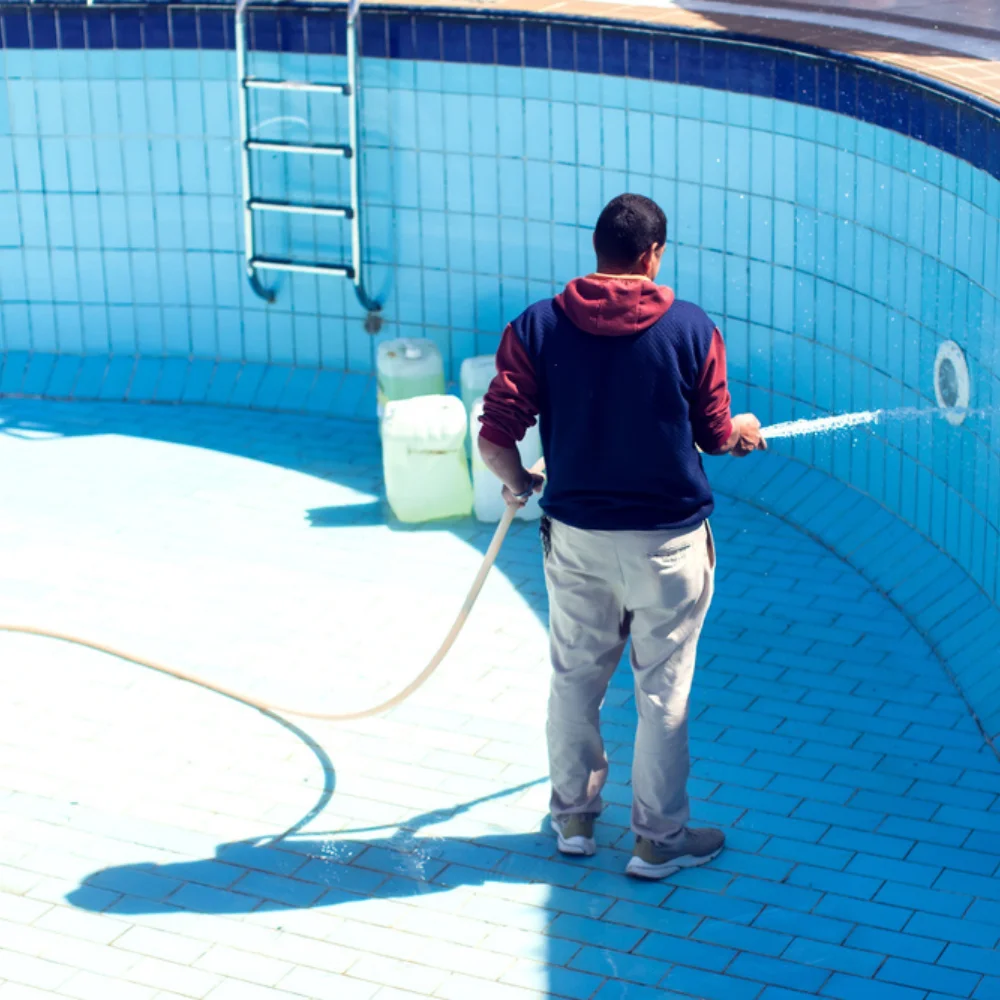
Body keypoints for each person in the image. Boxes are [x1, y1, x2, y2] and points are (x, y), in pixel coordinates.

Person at [477, 194, 766, 880]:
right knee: (663, 691)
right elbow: (716, 434)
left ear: (598, 248)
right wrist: (742, 435)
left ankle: (574, 819)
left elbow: (494, 435)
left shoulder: (539, 326)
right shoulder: (692, 329)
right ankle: (657, 841)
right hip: (669, 544)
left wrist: (517, 479)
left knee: (575, 677)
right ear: (654, 254)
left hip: (576, 537)